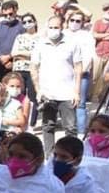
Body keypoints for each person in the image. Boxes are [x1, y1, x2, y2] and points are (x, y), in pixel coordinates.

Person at [32, 15, 82, 154]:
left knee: (70, 127)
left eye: (56, 27)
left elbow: (78, 67)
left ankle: (71, 155)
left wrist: (76, 91)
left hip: (67, 92)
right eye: (51, 27)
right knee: (48, 126)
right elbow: (34, 68)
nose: (53, 30)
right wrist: (38, 90)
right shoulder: (40, 44)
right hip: (48, 93)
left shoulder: (72, 43)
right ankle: (49, 156)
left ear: (62, 27)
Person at [65, 9, 95, 136]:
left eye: (78, 21)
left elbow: (89, 57)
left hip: (82, 74)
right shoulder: (62, 33)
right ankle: (69, 130)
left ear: (82, 23)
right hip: (65, 74)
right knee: (65, 103)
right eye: (72, 20)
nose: (75, 23)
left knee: (80, 104)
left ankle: (81, 133)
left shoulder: (86, 36)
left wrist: (80, 72)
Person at [11, 12, 39, 124]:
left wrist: (21, 53)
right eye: (25, 22)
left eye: (29, 21)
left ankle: (31, 123)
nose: (27, 23)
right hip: (19, 69)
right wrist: (29, 54)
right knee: (17, 94)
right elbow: (13, 53)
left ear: (35, 22)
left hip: (34, 70)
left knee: (33, 97)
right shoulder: (19, 37)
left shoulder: (41, 37)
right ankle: (19, 120)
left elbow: (37, 54)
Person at [0, 0, 23, 82]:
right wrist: (3, 60)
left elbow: (23, 46)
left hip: (15, 63)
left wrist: (10, 57)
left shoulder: (21, 27)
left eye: (10, 14)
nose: (8, 16)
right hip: (0, 63)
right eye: (5, 15)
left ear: (15, 11)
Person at [91, 2, 109, 103]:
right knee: (95, 76)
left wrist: (103, 35)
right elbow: (95, 35)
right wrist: (107, 35)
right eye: (106, 9)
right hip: (99, 52)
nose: (108, 11)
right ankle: (92, 94)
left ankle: (101, 96)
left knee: (106, 76)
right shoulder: (98, 22)